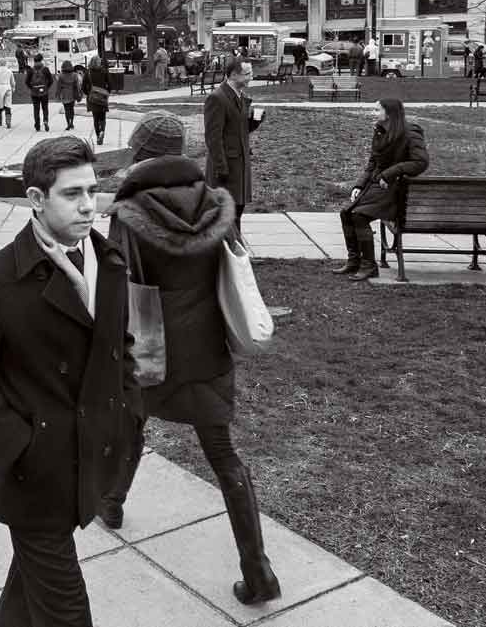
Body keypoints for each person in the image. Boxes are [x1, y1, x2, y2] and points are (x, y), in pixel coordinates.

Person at [0, 136, 143, 627]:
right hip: (34, 479)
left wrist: (128, 412)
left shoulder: (110, 263)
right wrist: (21, 445)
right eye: (70, 193)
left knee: (28, 592)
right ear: (35, 199)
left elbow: (122, 349)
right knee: (67, 613)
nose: (87, 206)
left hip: (87, 465)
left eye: (92, 190)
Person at [100, 111, 282, 605]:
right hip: (207, 350)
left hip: (152, 351)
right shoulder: (216, 206)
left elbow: (117, 291)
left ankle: (112, 503)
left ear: (141, 152)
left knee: (133, 424)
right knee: (224, 458)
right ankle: (258, 570)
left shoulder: (130, 215)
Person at [331, 98, 429, 281]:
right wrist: (359, 185)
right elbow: (373, 163)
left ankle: (369, 266)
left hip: (395, 190)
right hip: (378, 186)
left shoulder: (411, 132)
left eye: (378, 110)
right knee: (346, 213)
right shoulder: (380, 131)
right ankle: (355, 261)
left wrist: (390, 173)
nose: (374, 113)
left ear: (389, 113)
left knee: (358, 216)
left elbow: (420, 162)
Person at [203, 59, 262, 234]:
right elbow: (213, 138)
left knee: (238, 209)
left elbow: (237, 129)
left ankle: (234, 249)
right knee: (226, 213)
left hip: (239, 164)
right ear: (234, 75)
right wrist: (221, 168)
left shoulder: (239, 95)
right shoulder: (217, 98)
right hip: (227, 167)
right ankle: (228, 252)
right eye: (247, 74)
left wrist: (254, 122)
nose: (251, 77)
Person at [82, 55, 111, 146]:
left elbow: (83, 86)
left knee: (95, 118)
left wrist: (88, 93)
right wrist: (107, 93)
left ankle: (98, 135)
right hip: (102, 97)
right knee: (103, 117)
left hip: (92, 98)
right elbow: (109, 84)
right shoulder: (104, 71)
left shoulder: (88, 72)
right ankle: (102, 130)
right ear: (99, 62)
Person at [25, 54, 56, 132]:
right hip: (44, 92)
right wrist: (46, 87)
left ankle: (37, 125)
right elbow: (51, 80)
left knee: (36, 109)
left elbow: (27, 82)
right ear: (41, 60)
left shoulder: (31, 70)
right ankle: (45, 121)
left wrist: (31, 88)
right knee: (45, 108)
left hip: (34, 92)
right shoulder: (45, 69)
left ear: (34, 61)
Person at [53, 61, 84, 131]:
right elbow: (77, 85)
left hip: (64, 94)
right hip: (73, 93)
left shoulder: (61, 76)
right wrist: (80, 93)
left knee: (66, 110)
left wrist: (57, 94)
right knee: (71, 109)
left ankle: (68, 123)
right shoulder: (75, 75)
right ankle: (72, 122)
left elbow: (59, 86)